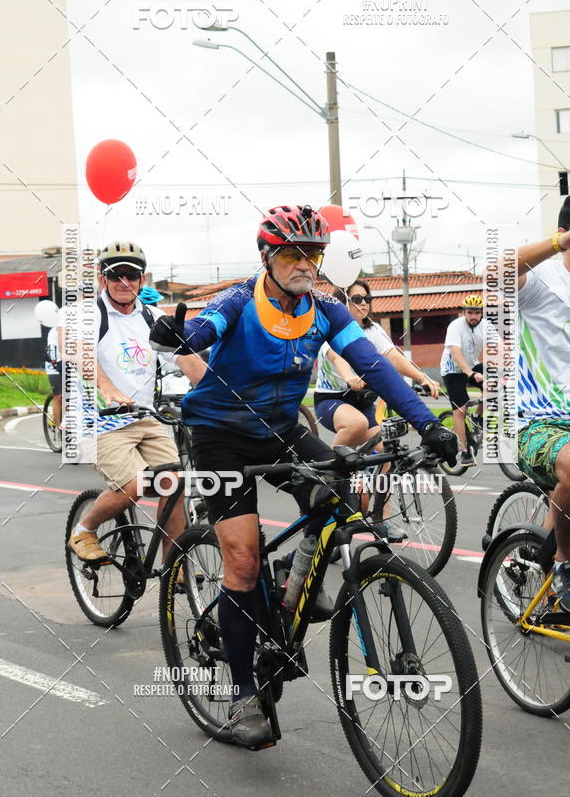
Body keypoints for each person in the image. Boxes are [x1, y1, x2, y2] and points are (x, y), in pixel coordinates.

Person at [150, 204, 458, 748]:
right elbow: (200, 330)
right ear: (266, 257)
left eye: (313, 254)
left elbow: (374, 366)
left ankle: (294, 577)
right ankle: (243, 695)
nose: (305, 264)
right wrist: (178, 334)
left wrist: (428, 424)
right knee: (241, 561)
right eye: (292, 254)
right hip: (220, 436)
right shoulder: (240, 299)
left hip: (279, 429)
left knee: (340, 497)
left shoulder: (327, 310)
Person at [64, 241, 201, 566]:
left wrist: (221, 393)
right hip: (99, 421)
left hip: (144, 418)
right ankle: (84, 530)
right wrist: (108, 388)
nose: (124, 282)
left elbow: (185, 358)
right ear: (103, 279)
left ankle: (173, 568)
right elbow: (78, 352)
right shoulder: (88, 314)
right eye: (116, 274)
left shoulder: (153, 316)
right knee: (135, 483)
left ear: (142, 279)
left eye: (131, 275)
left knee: (175, 484)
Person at [314, 279, 440, 538]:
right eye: (357, 299)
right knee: (356, 424)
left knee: (387, 454)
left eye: (367, 299)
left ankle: (380, 518)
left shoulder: (372, 330)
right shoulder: (331, 327)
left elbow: (393, 357)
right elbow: (336, 357)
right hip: (332, 400)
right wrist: (349, 376)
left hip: (363, 401)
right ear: (343, 302)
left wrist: (422, 377)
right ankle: (329, 474)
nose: (364, 304)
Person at [517, 192, 570, 613]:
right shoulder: (543, 280)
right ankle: (566, 560)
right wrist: (558, 242)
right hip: (546, 424)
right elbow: (494, 273)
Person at [440, 295, 498, 466]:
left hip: (472, 365)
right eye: (470, 312)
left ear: (481, 313)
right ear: (464, 313)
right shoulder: (456, 326)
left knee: (494, 383)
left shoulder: (486, 326)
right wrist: (469, 373)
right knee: (460, 410)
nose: (473, 316)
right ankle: (464, 451)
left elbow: (499, 348)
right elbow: (455, 352)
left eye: (477, 313)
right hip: (453, 369)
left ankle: (477, 416)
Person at [44, 324, 63, 430]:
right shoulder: (54, 331)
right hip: (54, 366)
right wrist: (56, 364)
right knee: (59, 396)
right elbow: (52, 350)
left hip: (69, 364)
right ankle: (59, 428)